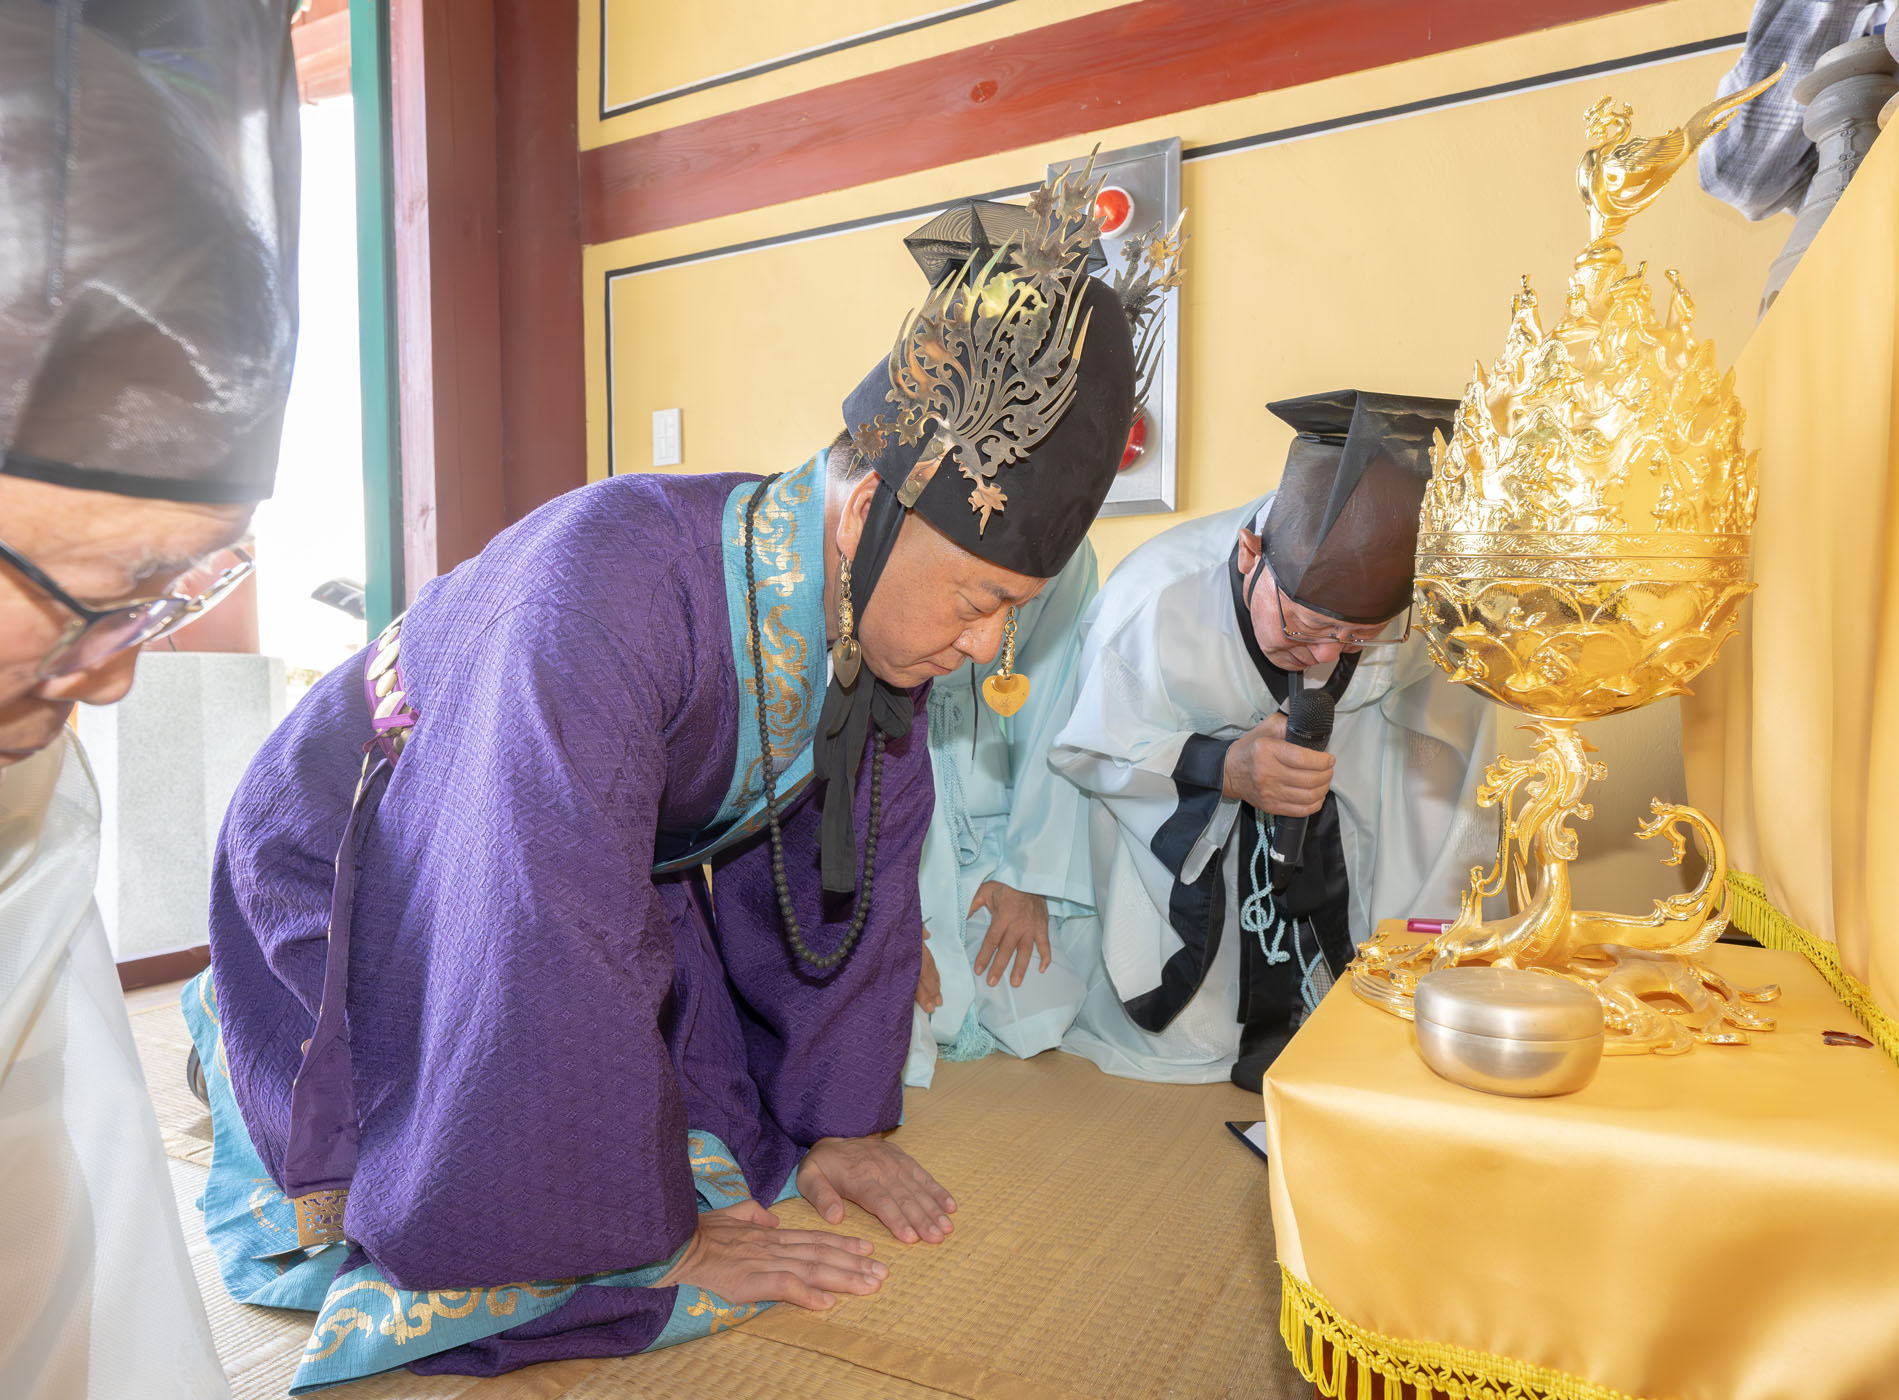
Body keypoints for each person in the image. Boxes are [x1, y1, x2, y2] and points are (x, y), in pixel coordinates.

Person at [187, 180, 1147, 1388]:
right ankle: (233, 1033)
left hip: (556, 859)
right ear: (865, 515)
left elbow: (857, 876)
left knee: (727, 1121)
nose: (991, 645)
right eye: (981, 599)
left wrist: (838, 1123)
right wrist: (661, 1238)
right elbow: (549, 923)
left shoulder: (867, 625)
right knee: (460, 1166)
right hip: (368, 838)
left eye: (1015, 611)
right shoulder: (606, 592)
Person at [0, 4, 301, 1397]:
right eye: (101, 591)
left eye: (166, 592)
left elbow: (53, 1240)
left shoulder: (30, 766)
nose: (114, 674)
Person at [1048, 390, 1501, 1089]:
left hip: (1354, 836)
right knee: (1197, 1036)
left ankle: (1366, 1002)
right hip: (1207, 890)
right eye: (1305, 627)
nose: (1326, 655)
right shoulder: (1155, 601)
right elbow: (1094, 751)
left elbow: (1458, 755)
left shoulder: (1424, 611)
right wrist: (1223, 767)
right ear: (1249, 554)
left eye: (1358, 637)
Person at [906, 532, 1097, 1087]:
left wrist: (1026, 875)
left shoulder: (1066, 544)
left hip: (993, 824)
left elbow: (1057, 706)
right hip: (889, 823)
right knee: (887, 1041)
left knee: (1043, 1010)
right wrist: (882, 920)